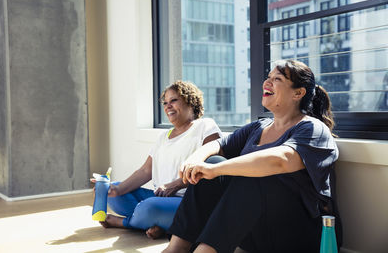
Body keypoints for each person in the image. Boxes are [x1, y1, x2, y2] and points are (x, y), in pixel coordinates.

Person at [163, 60, 342, 252]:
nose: (267, 82)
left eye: (277, 79)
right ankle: (176, 248)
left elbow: (280, 161)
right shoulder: (259, 127)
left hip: (303, 234)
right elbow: (218, 144)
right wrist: (196, 159)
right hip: (259, 231)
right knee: (213, 160)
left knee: (253, 175)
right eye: (268, 77)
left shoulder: (313, 128)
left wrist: (215, 170)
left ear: (298, 93)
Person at [92, 80, 221, 239]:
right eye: (165, 103)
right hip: (160, 197)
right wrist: (116, 190)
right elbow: (146, 170)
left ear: (191, 102)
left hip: (186, 201)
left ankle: (125, 223)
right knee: (116, 192)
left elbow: (210, 167)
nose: (168, 106)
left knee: (149, 207)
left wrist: (175, 184)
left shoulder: (205, 126)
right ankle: (163, 225)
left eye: (174, 100)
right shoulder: (163, 136)